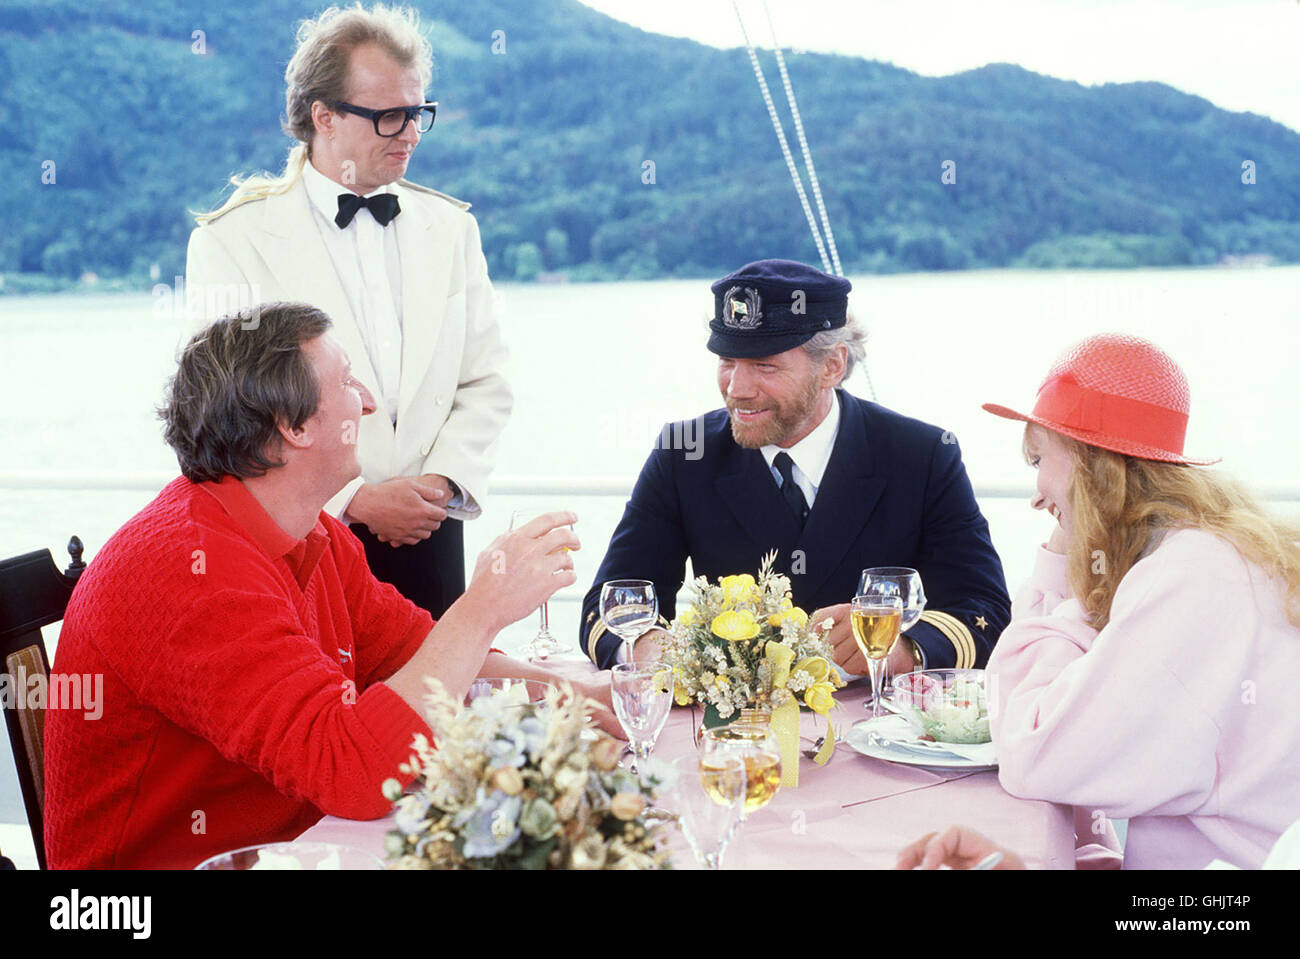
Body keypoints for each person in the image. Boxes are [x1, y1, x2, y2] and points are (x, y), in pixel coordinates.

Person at [42, 304, 615, 870]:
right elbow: (356, 773)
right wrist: (483, 607)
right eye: (347, 381)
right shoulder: (190, 571)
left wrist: (569, 695)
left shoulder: (313, 531)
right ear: (293, 428)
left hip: (294, 851)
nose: (368, 402)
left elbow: (414, 654)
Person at [185, 4, 509, 618]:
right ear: (323, 117)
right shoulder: (231, 240)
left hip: (431, 535)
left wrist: (440, 487)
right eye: (390, 116)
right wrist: (354, 499)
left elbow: (486, 379)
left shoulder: (452, 228)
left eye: (419, 114)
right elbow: (224, 414)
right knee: (314, 713)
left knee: (436, 711)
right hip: (299, 543)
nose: (411, 133)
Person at [578, 259, 1011, 672]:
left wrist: (902, 651)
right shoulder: (684, 451)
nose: (736, 389)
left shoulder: (923, 453)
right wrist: (657, 651)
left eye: (764, 366)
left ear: (833, 366)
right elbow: (612, 603)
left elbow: (984, 610)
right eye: (727, 362)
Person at [982, 333, 1300, 869]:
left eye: (1039, 459)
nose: (1036, 493)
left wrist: (1059, 567)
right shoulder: (1216, 550)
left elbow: (1035, 753)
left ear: (1089, 462)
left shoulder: (1192, 576)